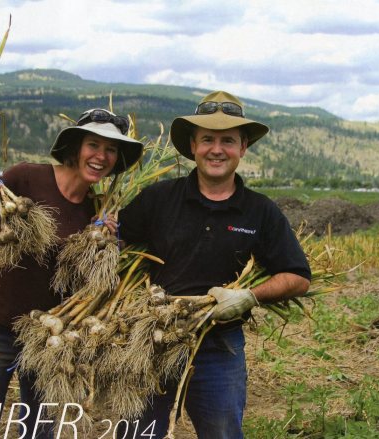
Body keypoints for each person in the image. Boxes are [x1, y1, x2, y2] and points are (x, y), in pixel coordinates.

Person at [118, 91, 311, 439]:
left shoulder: (260, 211)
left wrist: (249, 296)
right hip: (151, 340)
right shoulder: (158, 199)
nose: (217, 149)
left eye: (228, 141)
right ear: (193, 146)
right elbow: (116, 240)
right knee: (138, 433)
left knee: (222, 433)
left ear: (243, 148)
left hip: (218, 348)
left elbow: (297, 277)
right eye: (207, 139)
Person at [0, 108, 143, 439]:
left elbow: (87, 283)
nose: (101, 156)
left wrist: (104, 245)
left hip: (49, 335)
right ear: (75, 147)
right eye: (93, 145)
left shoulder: (96, 210)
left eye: (111, 149)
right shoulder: (25, 177)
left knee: (40, 432)